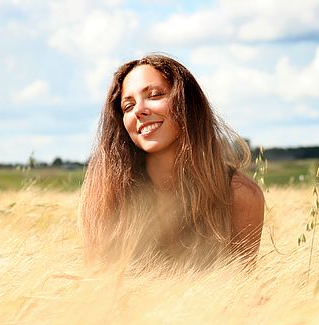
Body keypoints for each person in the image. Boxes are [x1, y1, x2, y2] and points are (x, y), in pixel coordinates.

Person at [79, 53, 264, 266]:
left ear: (187, 103)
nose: (139, 110)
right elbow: (96, 290)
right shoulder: (107, 196)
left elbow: (243, 290)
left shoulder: (239, 195)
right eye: (128, 106)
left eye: (155, 95)